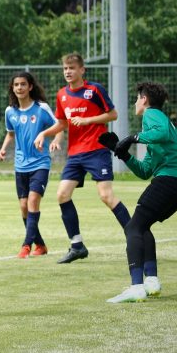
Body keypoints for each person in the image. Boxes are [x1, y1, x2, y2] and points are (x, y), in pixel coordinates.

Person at [100, 82, 177, 303]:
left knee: (134, 226)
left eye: (137, 98)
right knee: (142, 225)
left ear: (144, 99)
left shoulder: (152, 114)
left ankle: (136, 287)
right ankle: (151, 281)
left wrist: (133, 138)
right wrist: (123, 153)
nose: (136, 102)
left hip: (173, 177)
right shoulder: (155, 128)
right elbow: (145, 171)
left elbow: (159, 132)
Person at [33, 53, 131, 264]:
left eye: (72, 68)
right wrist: (43, 134)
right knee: (62, 194)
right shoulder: (62, 95)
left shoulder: (94, 90)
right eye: (65, 69)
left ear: (81, 70)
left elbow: (113, 114)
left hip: (97, 149)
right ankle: (77, 246)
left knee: (106, 196)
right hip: (75, 154)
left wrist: (87, 121)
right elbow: (61, 123)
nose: (68, 72)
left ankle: (134, 236)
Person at [0, 72, 62, 258]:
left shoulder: (41, 108)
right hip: (20, 165)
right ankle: (40, 245)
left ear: (30, 86)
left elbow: (60, 126)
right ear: (13, 88)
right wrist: (3, 150)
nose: (19, 88)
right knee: (24, 206)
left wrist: (56, 140)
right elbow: (10, 133)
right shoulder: (10, 111)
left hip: (40, 163)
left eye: (23, 84)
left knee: (33, 201)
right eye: (16, 85)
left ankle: (26, 245)